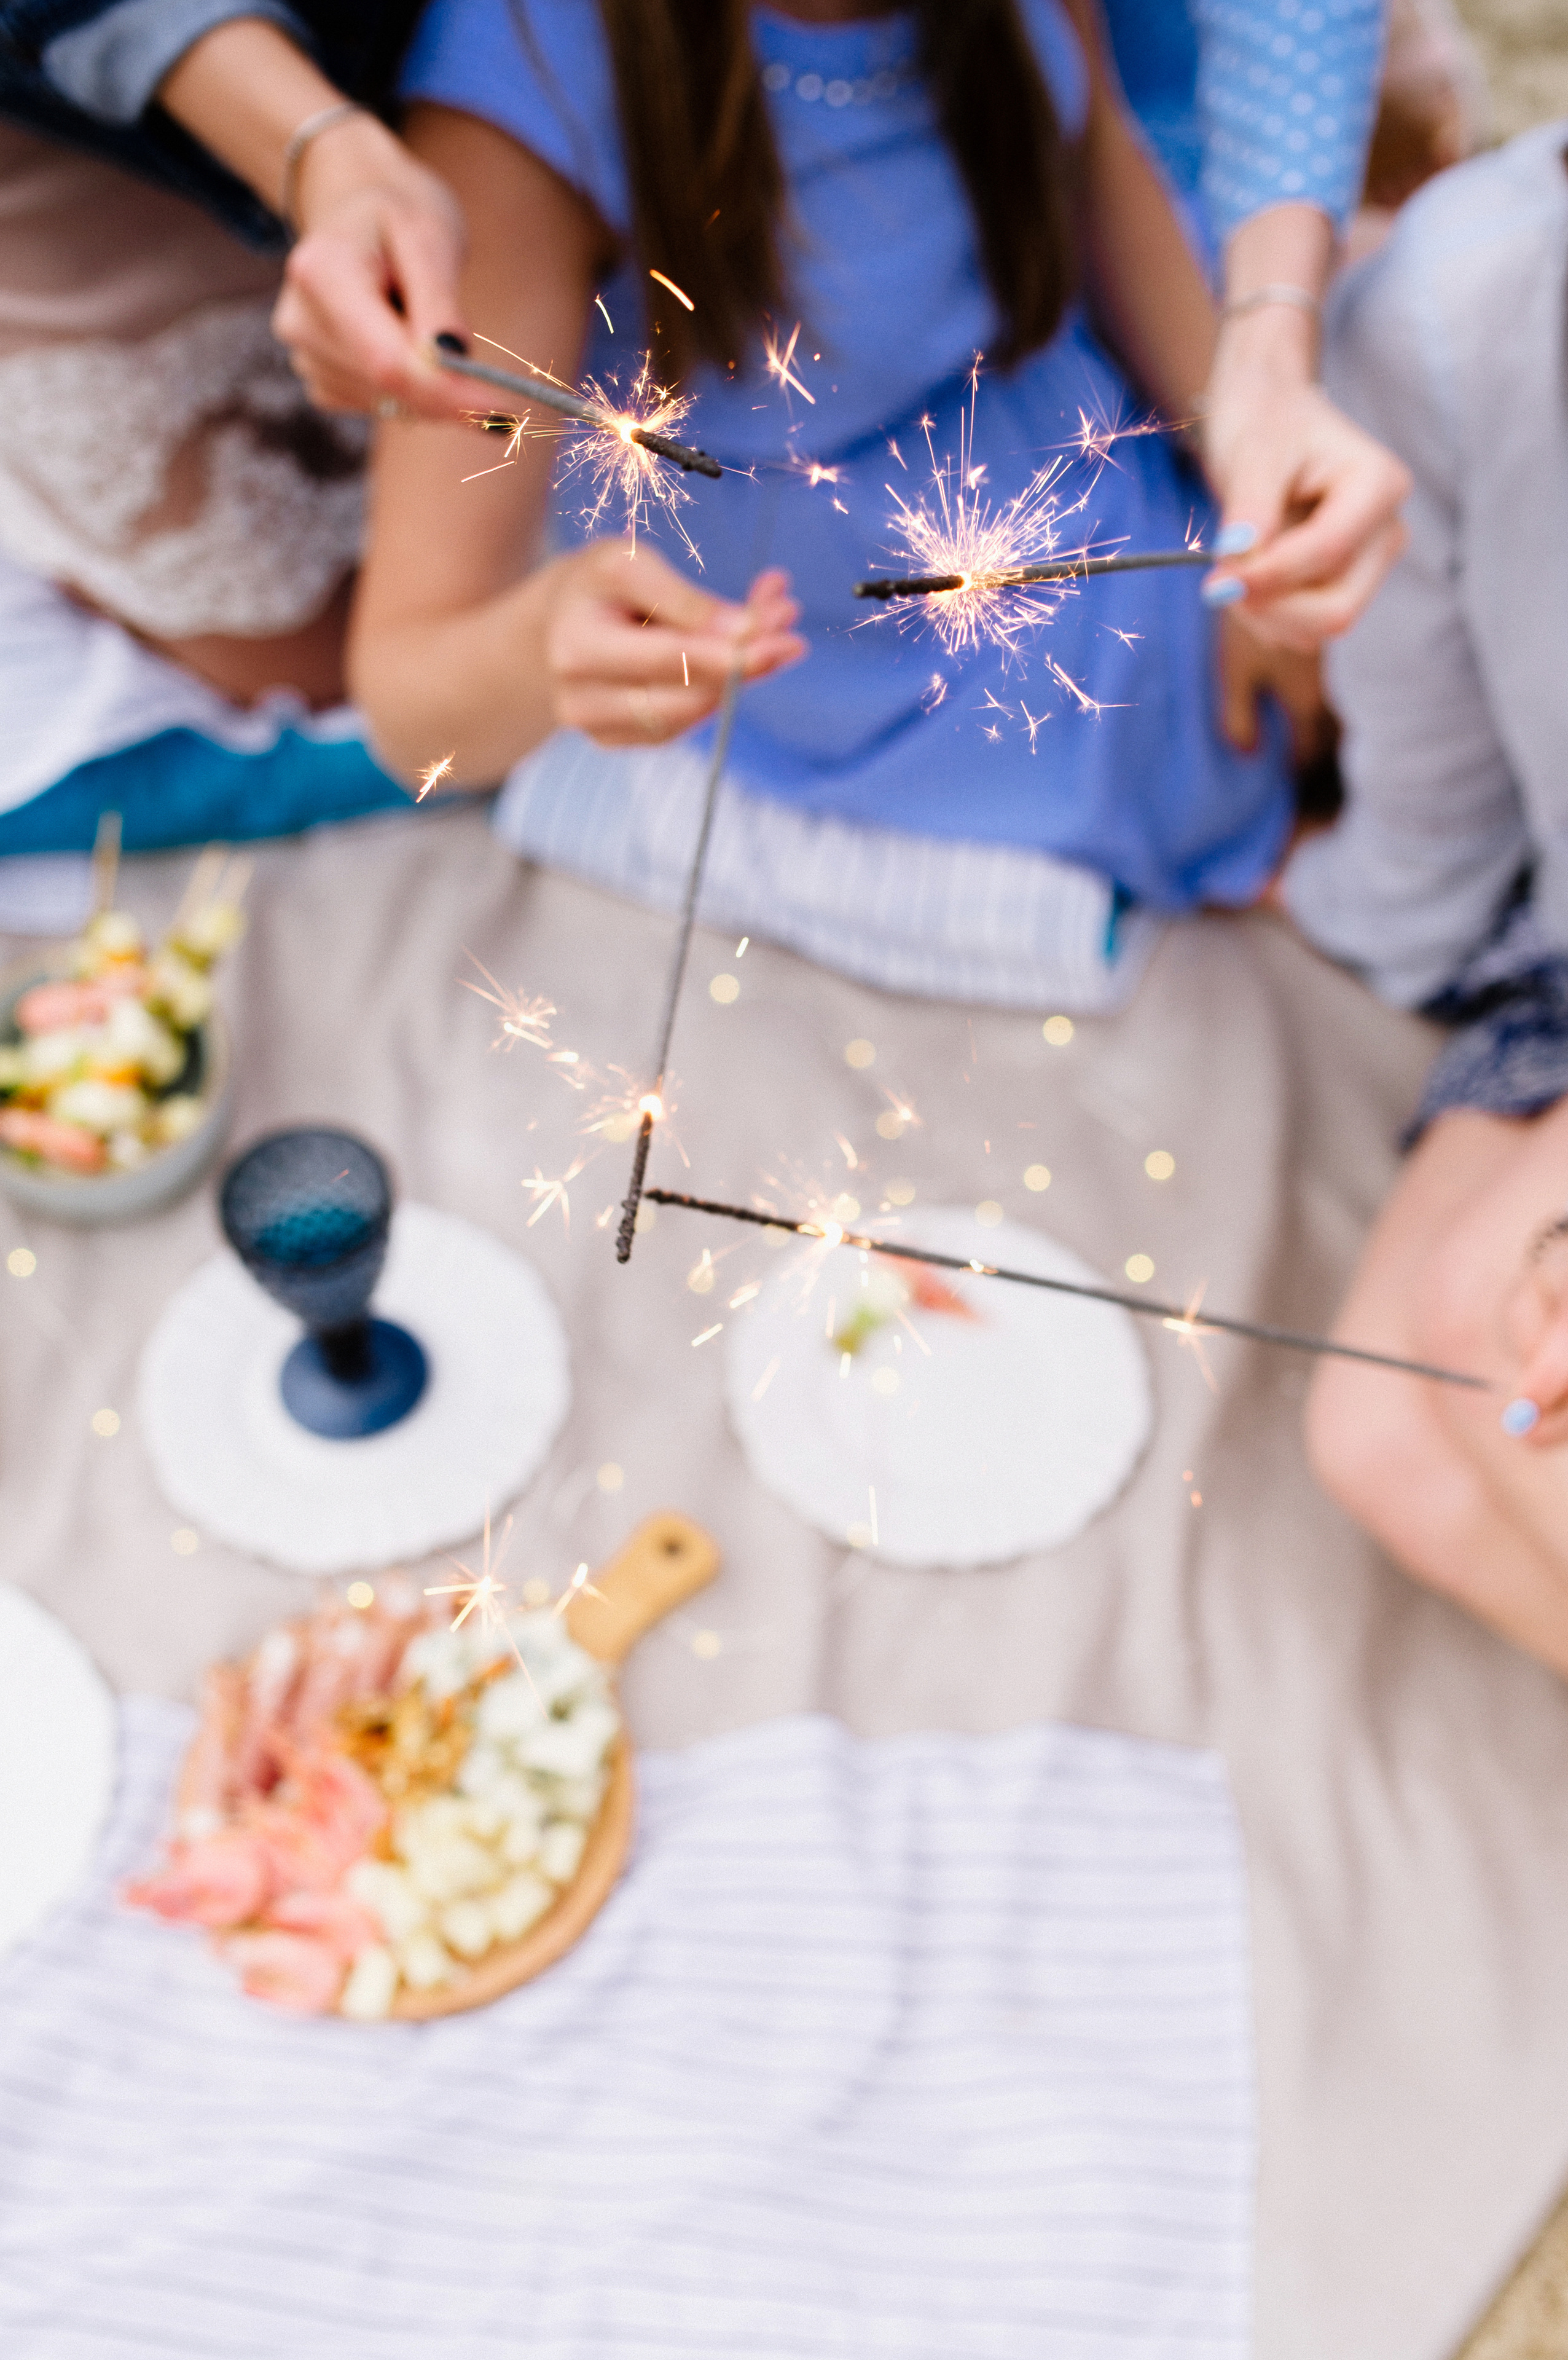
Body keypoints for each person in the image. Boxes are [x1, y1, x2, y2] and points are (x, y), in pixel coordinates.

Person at [343, 0, 1395, 1010]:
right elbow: (407, 694)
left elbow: (1093, 152)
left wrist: (1243, 467)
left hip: (1116, 488)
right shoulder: (524, 80)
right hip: (930, 692)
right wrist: (544, 645)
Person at [1282, 122, 1568, 1675]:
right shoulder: (1466, 302)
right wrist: (1323, 903)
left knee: (1480, 1309)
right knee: (1376, 1426)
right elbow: (1434, 830)